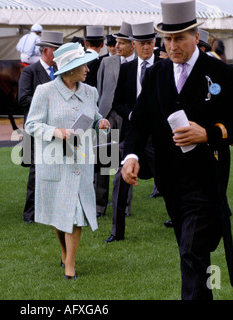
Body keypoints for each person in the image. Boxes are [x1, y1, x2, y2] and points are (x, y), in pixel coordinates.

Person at [121, 0, 233, 299]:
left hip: (207, 181)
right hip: (170, 183)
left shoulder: (220, 73)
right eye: (167, 38)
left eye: (179, 38)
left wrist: (207, 134)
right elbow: (138, 124)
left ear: (195, 36)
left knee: (192, 251)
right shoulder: (155, 75)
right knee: (192, 255)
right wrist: (131, 156)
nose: (172, 45)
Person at [24, 42, 110, 279]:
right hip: (54, 161)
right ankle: (64, 252)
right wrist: (56, 131)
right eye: (83, 65)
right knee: (58, 212)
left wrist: (100, 123)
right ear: (70, 69)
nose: (88, 70)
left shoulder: (91, 91)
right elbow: (31, 125)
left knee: (76, 212)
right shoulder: (45, 91)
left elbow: (94, 117)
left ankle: (70, 265)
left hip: (81, 160)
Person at [106, 21, 162, 243]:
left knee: (170, 179)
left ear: (154, 43)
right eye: (142, 43)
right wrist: (130, 115)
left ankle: (180, 220)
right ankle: (117, 232)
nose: (147, 47)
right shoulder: (126, 69)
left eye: (150, 43)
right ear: (134, 45)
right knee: (120, 180)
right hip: (133, 135)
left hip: (158, 136)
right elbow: (117, 102)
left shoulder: (164, 67)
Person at [18, 31, 63, 224]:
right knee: (36, 172)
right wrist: (49, 102)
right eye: (56, 49)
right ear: (45, 50)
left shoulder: (61, 71)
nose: (59, 54)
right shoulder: (29, 72)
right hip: (37, 129)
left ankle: (51, 210)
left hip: (58, 129)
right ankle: (30, 213)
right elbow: (23, 99)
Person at [95, 22, 135, 217]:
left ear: (132, 45)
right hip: (106, 117)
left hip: (127, 119)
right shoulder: (106, 62)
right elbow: (100, 91)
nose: (116, 46)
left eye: (121, 43)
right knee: (102, 161)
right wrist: (100, 115)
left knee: (126, 162)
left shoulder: (138, 66)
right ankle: (99, 206)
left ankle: (123, 207)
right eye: (116, 42)